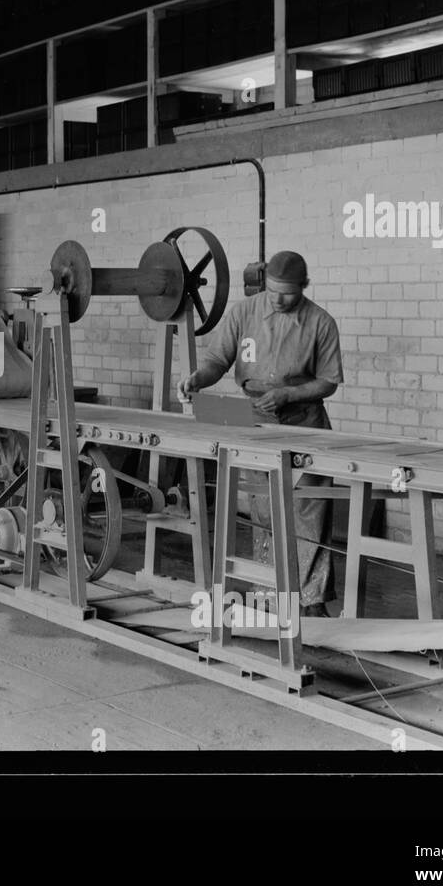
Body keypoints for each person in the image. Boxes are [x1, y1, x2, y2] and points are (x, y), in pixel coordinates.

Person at [177, 250, 343, 617]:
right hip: (252, 417)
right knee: (264, 507)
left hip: (304, 421)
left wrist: (289, 393)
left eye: (287, 293)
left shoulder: (320, 322)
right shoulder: (243, 313)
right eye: (272, 292)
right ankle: (269, 596)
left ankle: (311, 601)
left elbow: (329, 381)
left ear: (304, 286)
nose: (279, 300)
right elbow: (217, 362)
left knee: (309, 509)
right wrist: (196, 380)